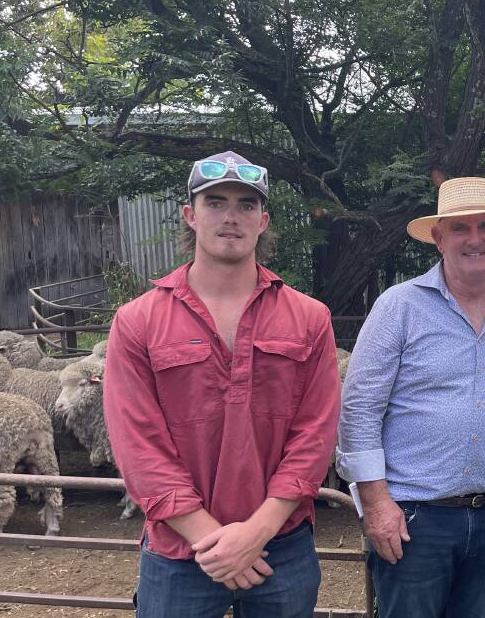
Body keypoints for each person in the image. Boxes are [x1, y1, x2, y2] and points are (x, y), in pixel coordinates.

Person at [103, 151, 342, 618]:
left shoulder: (311, 318)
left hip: (281, 548)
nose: (231, 216)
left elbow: (315, 434)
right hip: (179, 554)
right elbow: (138, 445)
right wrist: (213, 541)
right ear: (190, 215)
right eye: (216, 202)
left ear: (263, 220)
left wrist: (255, 533)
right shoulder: (137, 322)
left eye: (246, 205)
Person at [336, 177, 485, 618]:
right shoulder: (399, 306)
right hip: (414, 519)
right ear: (438, 238)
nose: (474, 239)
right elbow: (359, 409)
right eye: (460, 228)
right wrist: (377, 504)